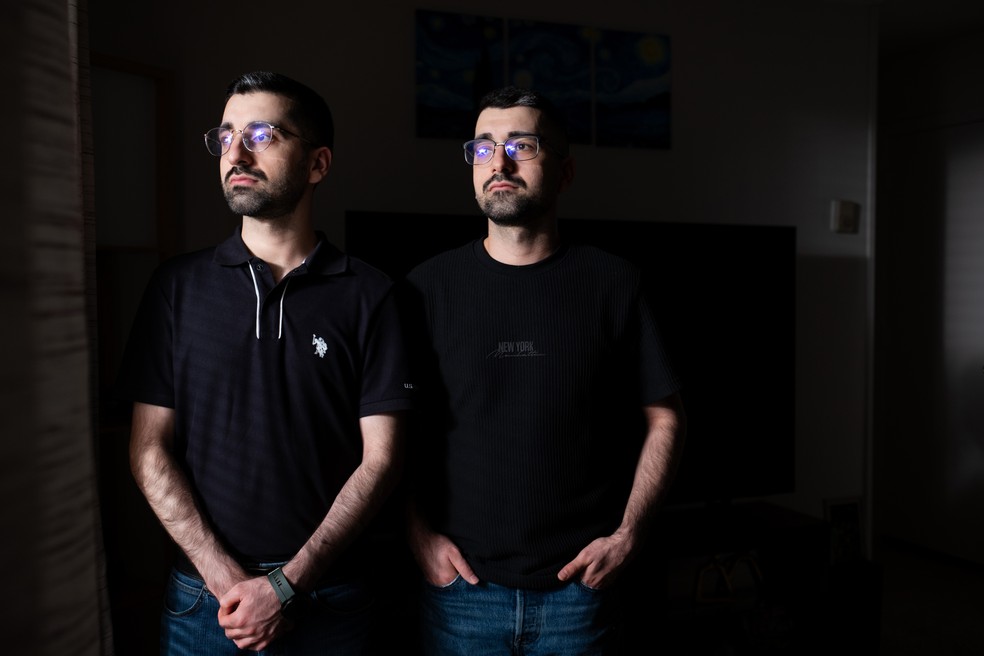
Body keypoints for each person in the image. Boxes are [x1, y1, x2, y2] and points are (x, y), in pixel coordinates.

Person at [116, 71, 414, 655]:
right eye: (225, 135)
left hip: (329, 599)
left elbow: (382, 460)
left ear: (318, 164)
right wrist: (225, 578)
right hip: (206, 601)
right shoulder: (176, 287)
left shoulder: (372, 294)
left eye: (262, 133)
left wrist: (286, 585)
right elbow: (147, 450)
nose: (236, 151)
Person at [400, 86, 687, 655]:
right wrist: (418, 536)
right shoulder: (425, 288)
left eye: (521, 146)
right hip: (460, 593)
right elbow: (393, 429)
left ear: (565, 170)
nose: (498, 163)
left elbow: (665, 417)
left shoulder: (615, 284)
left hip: (581, 592)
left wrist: (629, 535)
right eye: (482, 148)